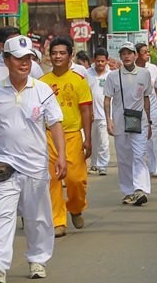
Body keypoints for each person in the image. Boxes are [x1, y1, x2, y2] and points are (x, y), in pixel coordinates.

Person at [0, 35, 66, 282]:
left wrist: (61, 156)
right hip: (3, 164)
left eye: (29, 58)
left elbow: (55, 124)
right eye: (19, 58)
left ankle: (38, 259)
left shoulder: (42, 90)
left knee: (38, 217)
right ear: (7, 60)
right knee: (1, 215)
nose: (25, 63)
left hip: (35, 166)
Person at [40, 36, 93, 238]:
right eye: (54, 53)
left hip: (72, 136)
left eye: (62, 53)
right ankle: (57, 221)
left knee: (76, 180)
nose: (58, 56)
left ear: (70, 56)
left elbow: (87, 112)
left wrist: (88, 138)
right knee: (52, 180)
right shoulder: (42, 83)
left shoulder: (78, 81)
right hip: (48, 137)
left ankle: (76, 207)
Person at [104, 42, 153, 206]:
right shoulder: (113, 76)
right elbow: (107, 100)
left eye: (129, 53)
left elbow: (146, 98)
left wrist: (150, 121)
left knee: (140, 155)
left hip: (139, 120)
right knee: (124, 158)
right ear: (120, 56)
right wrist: (108, 120)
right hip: (119, 121)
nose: (126, 56)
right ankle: (128, 191)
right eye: (123, 53)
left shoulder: (144, 74)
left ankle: (140, 189)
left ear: (135, 55)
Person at [135, 43, 157, 178]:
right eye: (144, 52)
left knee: (153, 138)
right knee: (138, 139)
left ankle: (155, 167)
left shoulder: (153, 69)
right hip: (136, 109)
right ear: (137, 54)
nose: (148, 54)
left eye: (148, 51)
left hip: (152, 108)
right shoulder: (131, 69)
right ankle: (141, 167)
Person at [85, 48, 111, 175]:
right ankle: (94, 164)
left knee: (103, 141)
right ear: (94, 60)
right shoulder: (87, 74)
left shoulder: (110, 75)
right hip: (90, 114)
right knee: (92, 141)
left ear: (107, 61)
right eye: (98, 61)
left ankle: (103, 165)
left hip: (104, 115)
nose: (100, 63)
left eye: (103, 61)